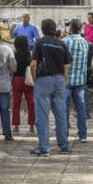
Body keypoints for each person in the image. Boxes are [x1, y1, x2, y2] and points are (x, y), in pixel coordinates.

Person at [30, 19, 72, 156]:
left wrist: (35, 79)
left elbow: (33, 64)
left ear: (42, 29)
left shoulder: (40, 43)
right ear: (54, 29)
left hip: (43, 80)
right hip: (59, 80)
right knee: (61, 115)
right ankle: (64, 146)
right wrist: (63, 80)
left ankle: (44, 148)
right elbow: (67, 66)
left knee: (42, 116)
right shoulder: (61, 44)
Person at [63, 19, 93, 143]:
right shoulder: (86, 43)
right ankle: (82, 135)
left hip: (66, 80)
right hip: (81, 80)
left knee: (64, 108)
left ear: (70, 28)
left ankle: (64, 133)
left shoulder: (65, 41)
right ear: (80, 28)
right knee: (81, 108)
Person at [11, 35, 35, 135]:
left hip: (17, 80)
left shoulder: (14, 54)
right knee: (31, 104)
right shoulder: (30, 54)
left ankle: (16, 127)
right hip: (28, 80)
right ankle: (31, 127)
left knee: (16, 104)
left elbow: (12, 67)